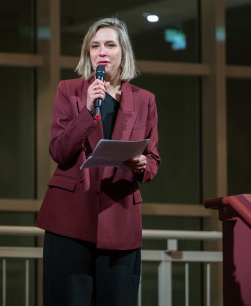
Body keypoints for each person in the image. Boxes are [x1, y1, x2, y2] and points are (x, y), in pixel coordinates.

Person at [35, 17, 160, 306]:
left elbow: (153, 159)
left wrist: (142, 164)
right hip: (70, 219)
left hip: (119, 220)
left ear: (123, 53)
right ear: (88, 53)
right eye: (95, 45)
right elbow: (58, 151)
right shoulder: (69, 90)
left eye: (109, 45)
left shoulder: (145, 100)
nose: (101, 52)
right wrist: (87, 111)